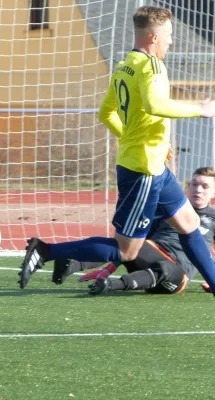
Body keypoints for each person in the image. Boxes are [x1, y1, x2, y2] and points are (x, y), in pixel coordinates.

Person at [18, 6, 215, 294]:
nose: (171, 41)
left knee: (189, 222)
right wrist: (201, 109)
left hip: (153, 164)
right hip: (143, 171)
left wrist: (137, 139)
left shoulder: (125, 66)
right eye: (169, 35)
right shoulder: (151, 65)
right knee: (126, 251)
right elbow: (154, 105)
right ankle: (46, 250)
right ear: (153, 37)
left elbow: (106, 113)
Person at [51, 167, 215, 296]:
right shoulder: (171, 208)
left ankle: (112, 285)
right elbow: (131, 246)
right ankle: (71, 265)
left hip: (177, 276)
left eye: (204, 186)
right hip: (152, 254)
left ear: (213, 192)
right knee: (127, 243)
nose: (198, 190)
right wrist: (109, 269)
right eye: (194, 184)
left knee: (166, 269)